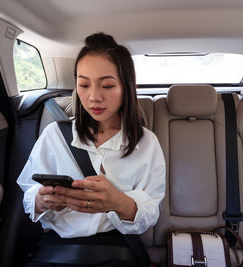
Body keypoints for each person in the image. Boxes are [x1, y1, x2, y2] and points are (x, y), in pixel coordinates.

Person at [17, 32, 166, 266]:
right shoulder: (55, 135)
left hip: (117, 248)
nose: (94, 97)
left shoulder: (146, 143)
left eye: (107, 85)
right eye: (84, 85)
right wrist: (41, 201)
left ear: (128, 87)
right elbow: (30, 193)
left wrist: (118, 202)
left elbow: (149, 213)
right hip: (57, 249)